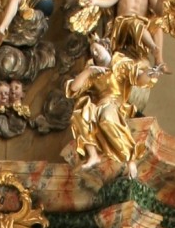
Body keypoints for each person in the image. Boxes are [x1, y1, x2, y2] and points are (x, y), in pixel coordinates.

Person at [65, 36, 159, 176]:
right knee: (80, 110)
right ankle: (93, 155)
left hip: (115, 103)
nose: (95, 53)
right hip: (97, 105)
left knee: (107, 118)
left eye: (97, 49)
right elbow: (73, 88)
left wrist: (152, 72)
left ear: (106, 47)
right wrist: (89, 71)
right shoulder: (93, 72)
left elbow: (139, 79)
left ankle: (130, 159)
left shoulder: (120, 64)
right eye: (92, 52)